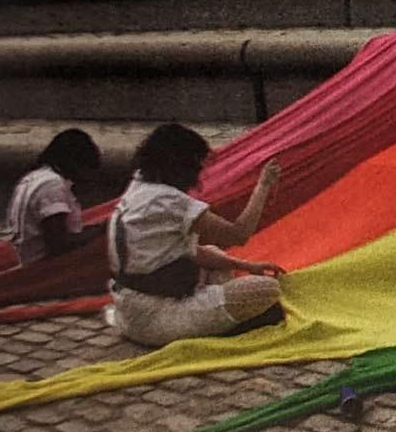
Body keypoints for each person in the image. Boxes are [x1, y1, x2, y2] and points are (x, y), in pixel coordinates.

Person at [106, 125, 286, 348]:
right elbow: (238, 234)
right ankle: (223, 326)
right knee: (266, 290)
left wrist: (246, 265)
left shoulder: (138, 188)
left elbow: (190, 252)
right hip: (158, 316)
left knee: (214, 255)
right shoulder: (170, 201)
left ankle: (218, 312)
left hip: (130, 311)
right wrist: (263, 185)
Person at [5, 129, 101, 265]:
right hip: (44, 265)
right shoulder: (52, 185)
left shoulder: (34, 177)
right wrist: (98, 233)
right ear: (75, 163)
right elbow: (58, 244)